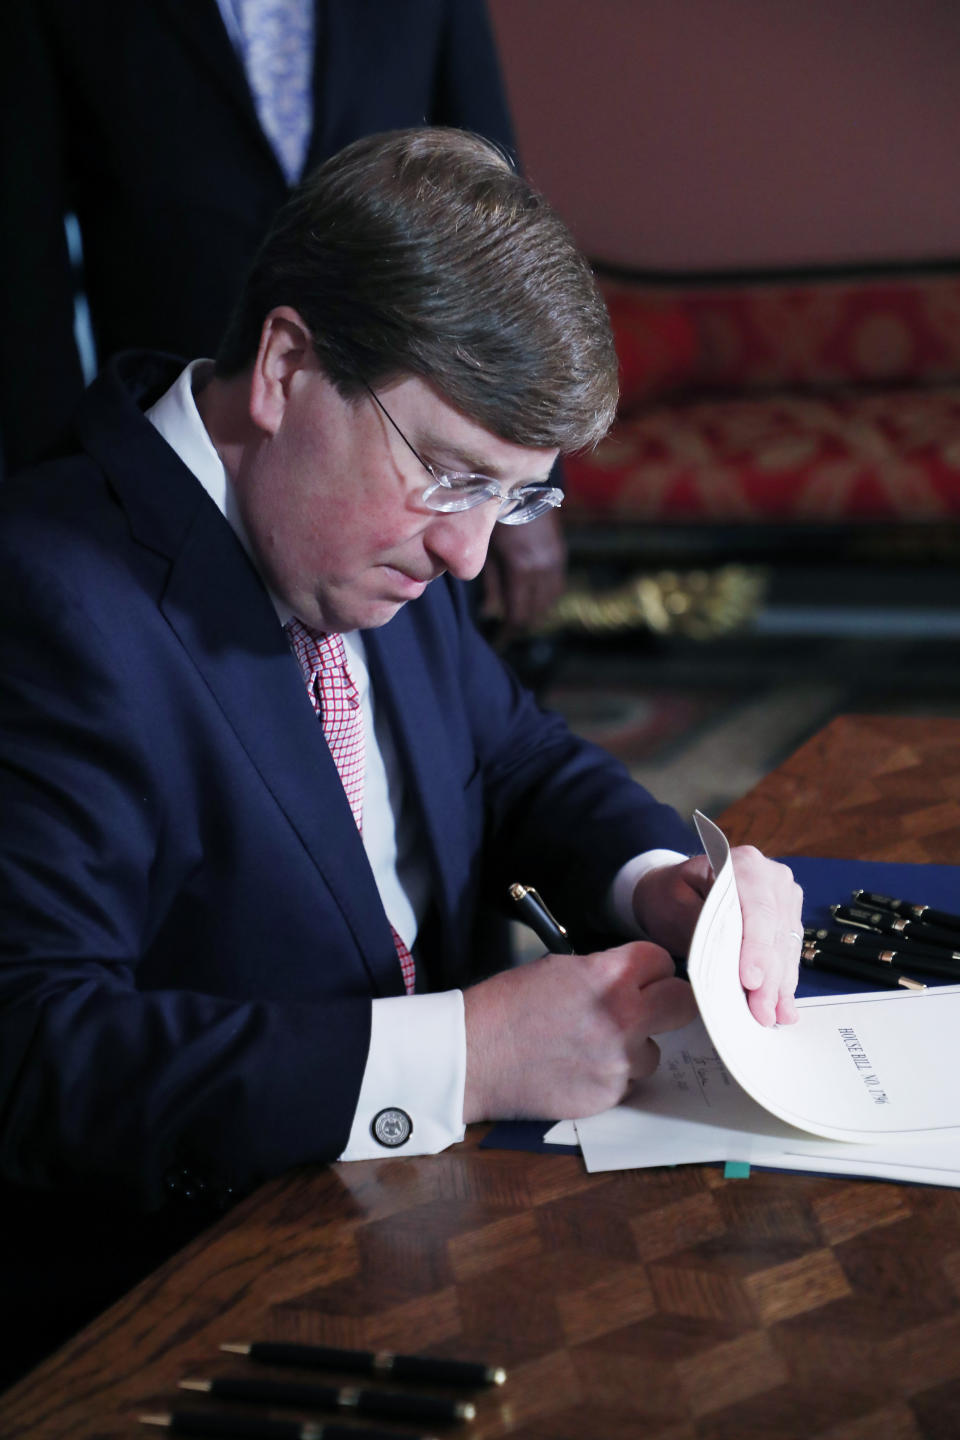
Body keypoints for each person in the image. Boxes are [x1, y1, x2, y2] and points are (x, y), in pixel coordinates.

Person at [0, 128, 800, 1383]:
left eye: (518, 498)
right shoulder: (49, 597)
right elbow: (40, 1054)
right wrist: (466, 1055)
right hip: (183, 1318)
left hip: (437, 1234)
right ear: (283, 368)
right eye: (449, 474)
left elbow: (510, 756)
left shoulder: (357, 539)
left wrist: (663, 880)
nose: (472, 557)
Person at [0, 0, 565, 632]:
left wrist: (513, 488)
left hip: (416, 455)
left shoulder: (454, 536)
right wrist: (45, 495)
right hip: (173, 457)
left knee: (420, 714)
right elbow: (25, 255)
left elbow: (496, 215)